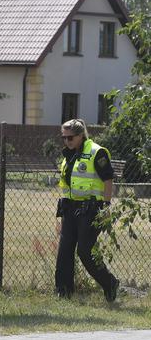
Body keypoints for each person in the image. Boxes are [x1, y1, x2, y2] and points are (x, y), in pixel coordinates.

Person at [55, 119, 120, 302]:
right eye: (64, 138)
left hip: (92, 209)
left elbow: (108, 179)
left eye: (70, 138)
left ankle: (110, 283)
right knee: (65, 250)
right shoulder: (69, 155)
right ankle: (64, 292)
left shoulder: (96, 152)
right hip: (70, 209)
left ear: (81, 135)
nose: (66, 141)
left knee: (85, 251)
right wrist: (64, 211)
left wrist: (106, 207)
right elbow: (67, 184)